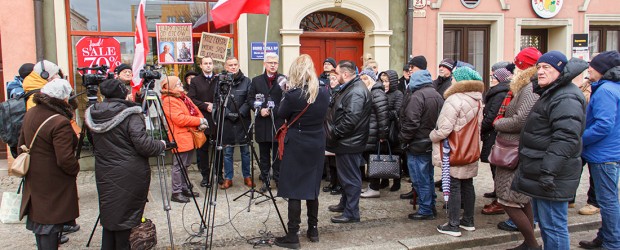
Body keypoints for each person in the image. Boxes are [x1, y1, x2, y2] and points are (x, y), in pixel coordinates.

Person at [512, 51, 587, 250]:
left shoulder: (566, 97)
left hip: (553, 174)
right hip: (543, 170)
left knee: (554, 226)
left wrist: (548, 171)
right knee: (548, 225)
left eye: (547, 68)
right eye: (539, 67)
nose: (541, 72)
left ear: (560, 71)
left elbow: (566, 138)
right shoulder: (553, 92)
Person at [85, 79, 167, 249]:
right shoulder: (131, 114)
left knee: (111, 213)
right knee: (126, 216)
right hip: (129, 173)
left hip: (105, 169)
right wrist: (161, 145)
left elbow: (93, 143)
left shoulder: (94, 113)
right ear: (123, 94)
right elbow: (144, 145)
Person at [274, 54, 330, 249]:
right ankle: (313, 230)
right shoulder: (324, 92)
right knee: (312, 187)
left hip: (297, 142)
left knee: (294, 188)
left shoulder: (292, 95)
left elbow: (281, 114)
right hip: (316, 142)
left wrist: (285, 93)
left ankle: (292, 235)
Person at [18, 79, 79, 250]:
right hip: (53, 181)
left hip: (35, 176)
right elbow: (65, 159)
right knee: (50, 225)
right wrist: (75, 169)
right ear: (63, 99)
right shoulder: (59, 122)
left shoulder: (30, 113)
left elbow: (20, 145)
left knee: (41, 224)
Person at [492, 54, 541, 249]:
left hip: (515, 151)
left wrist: (499, 123)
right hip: (514, 149)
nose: (512, 71)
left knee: (508, 200)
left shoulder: (529, 87)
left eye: (516, 66)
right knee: (521, 199)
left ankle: (531, 243)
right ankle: (530, 243)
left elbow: (522, 120)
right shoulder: (526, 86)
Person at [430, 67, 484, 237]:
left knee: (454, 185)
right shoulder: (477, 99)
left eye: (454, 77)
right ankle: (468, 221)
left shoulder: (454, 99)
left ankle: (453, 224)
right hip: (470, 148)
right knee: (468, 184)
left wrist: (433, 135)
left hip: (454, 149)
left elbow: (444, 129)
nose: (451, 79)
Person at [578, 50, 620, 250]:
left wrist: (580, 139)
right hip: (610, 151)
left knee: (607, 200)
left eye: (592, 66)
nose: (589, 69)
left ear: (602, 69)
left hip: (604, 154)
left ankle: (612, 242)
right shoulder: (612, 88)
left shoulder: (605, 90)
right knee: (608, 198)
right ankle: (605, 237)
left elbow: (604, 125)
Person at [325, 60, 371, 224]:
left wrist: (334, 133)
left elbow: (351, 119)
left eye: (336, 73)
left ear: (345, 74)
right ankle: (345, 204)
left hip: (349, 142)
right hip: (345, 142)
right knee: (345, 176)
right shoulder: (350, 88)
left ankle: (352, 212)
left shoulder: (356, 91)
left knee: (350, 178)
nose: (334, 76)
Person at [399, 69, 444, 220]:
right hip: (430, 141)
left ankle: (426, 209)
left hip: (417, 143)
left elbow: (411, 122)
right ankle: (430, 205)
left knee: (420, 178)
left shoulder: (417, 96)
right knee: (428, 176)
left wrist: (403, 138)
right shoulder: (437, 95)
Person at [161, 76, 207, 203]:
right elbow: (180, 119)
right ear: (171, 87)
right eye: (178, 84)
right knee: (179, 165)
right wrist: (199, 121)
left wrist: (201, 120)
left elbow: (195, 110)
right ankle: (176, 192)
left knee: (185, 165)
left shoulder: (183, 97)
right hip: (180, 136)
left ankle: (184, 187)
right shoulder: (169, 101)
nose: (181, 84)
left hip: (189, 135)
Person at [248, 52, 285, 191]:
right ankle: (265, 180)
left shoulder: (283, 80)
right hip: (262, 123)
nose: (273, 65)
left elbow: (286, 99)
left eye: (275, 62)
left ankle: (278, 179)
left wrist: (277, 111)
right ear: (265, 64)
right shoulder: (256, 80)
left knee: (277, 155)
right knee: (264, 156)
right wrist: (260, 109)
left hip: (277, 124)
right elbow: (250, 99)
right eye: (270, 62)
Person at [216, 56, 253, 189]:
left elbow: (249, 100)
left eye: (235, 64)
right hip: (227, 122)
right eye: (230, 65)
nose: (233, 67)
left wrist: (239, 113)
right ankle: (228, 178)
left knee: (245, 151)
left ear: (238, 65)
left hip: (243, 121)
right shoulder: (221, 82)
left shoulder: (247, 81)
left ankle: (247, 176)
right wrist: (228, 114)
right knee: (227, 152)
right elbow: (217, 100)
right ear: (226, 67)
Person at [480, 65, 512, 216]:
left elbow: (492, 115)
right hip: (492, 133)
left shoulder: (500, 94)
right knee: (494, 166)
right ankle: (497, 193)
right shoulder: (498, 92)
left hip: (494, 134)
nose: (491, 79)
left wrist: (481, 127)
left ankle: (500, 200)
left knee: (496, 166)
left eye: (493, 77)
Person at [188, 56, 219, 187]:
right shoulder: (195, 81)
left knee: (219, 149)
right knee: (203, 150)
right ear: (201, 66)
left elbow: (224, 96)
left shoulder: (218, 79)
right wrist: (205, 105)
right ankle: (205, 176)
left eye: (210, 63)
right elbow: (191, 99)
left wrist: (215, 105)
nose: (208, 65)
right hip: (202, 119)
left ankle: (220, 175)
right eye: (205, 63)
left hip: (217, 118)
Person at [358, 69, 389, 198]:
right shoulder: (369, 92)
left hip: (375, 134)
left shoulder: (377, 93)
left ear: (371, 79)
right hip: (369, 132)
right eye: (361, 78)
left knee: (374, 160)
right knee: (370, 159)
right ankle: (372, 186)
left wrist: (382, 135)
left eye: (365, 78)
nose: (363, 81)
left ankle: (375, 188)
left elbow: (383, 116)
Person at [378, 69, 404, 192]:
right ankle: (384, 179)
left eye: (387, 81)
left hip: (393, 130)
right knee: (383, 155)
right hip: (382, 128)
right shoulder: (380, 93)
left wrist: (383, 113)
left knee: (394, 156)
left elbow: (397, 111)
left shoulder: (398, 94)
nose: (384, 84)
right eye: (382, 81)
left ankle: (396, 180)